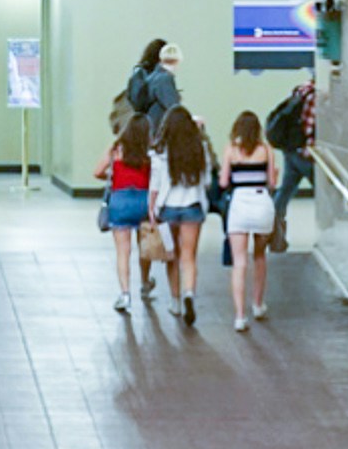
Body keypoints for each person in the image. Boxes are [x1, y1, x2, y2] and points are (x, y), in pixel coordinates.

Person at [150, 105, 211, 325]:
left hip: (167, 209)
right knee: (189, 256)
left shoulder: (160, 151)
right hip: (193, 206)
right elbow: (207, 181)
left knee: (171, 256)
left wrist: (151, 209)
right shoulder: (200, 148)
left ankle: (175, 301)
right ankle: (189, 294)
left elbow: (154, 185)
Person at [221, 109, 280, 331]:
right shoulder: (266, 150)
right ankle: (257, 304)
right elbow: (272, 183)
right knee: (259, 256)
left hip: (239, 205)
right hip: (262, 203)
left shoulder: (231, 150)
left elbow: (224, 182)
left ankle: (239, 316)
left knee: (239, 262)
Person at [95, 112, 153, 315]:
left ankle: (125, 293)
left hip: (120, 201)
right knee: (144, 246)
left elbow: (97, 172)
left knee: (123, 251)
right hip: (143, 201)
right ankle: (145, 284)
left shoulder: (116, 149)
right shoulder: (150, 153)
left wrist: (113, 176)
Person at [267, 77, 316, 254]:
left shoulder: (300, 90)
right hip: (305, 154)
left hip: (290, 151)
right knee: (326, 194)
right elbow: (310, 128)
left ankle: (275, 237)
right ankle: (330, 239)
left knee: (284, 192)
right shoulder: (314, 97)